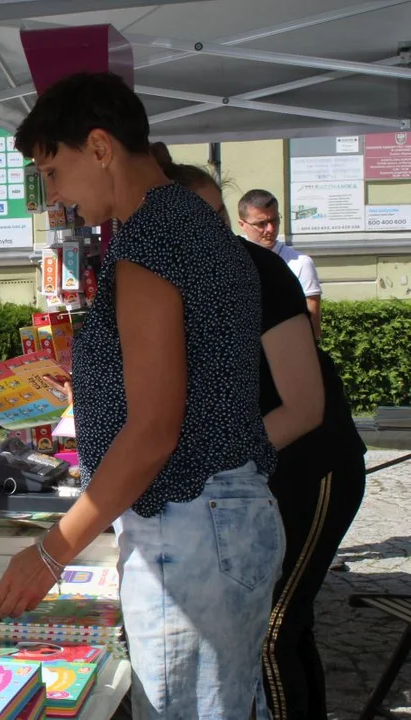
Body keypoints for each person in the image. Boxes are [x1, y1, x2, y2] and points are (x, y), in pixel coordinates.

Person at [0, 73, 283, 719]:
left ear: (98, 147)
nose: (53, 191)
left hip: (193, 521)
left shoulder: (152, 241)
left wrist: (50, 551)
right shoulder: (185, 225)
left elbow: (155, 430)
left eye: (53, 168)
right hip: (216, 517)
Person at [155, 147, 367, 720]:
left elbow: (303, 408)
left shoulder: (259, 270)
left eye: (210, 218)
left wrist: (205, 461)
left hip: (314, 466)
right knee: (288, 628)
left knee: (271, 632)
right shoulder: (178, 283)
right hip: (263, 472)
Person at [239, 190, 323, 339]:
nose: (270, 229)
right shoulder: (233, 262)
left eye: (274, 220)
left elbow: (313, 325)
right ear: (242, 224)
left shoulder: (301, 263)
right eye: (261, 224)